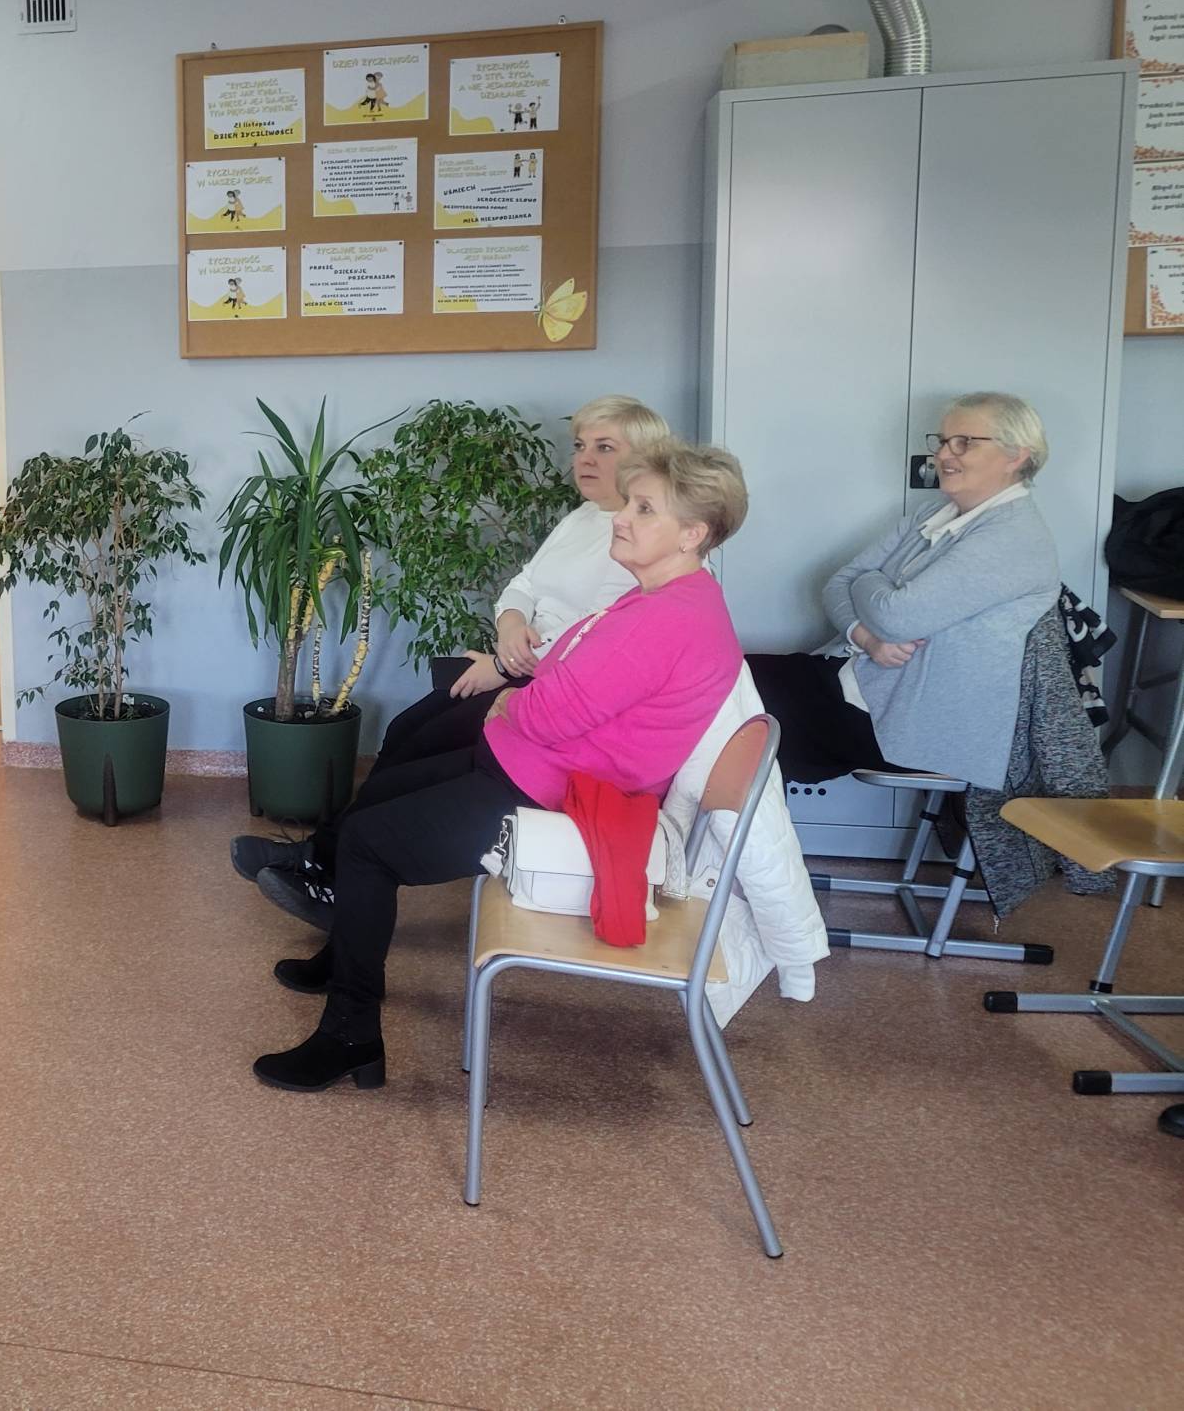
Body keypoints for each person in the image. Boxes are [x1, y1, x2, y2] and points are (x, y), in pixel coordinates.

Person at [252, 443, 750, 1091]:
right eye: (629, 503)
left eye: (644, 508)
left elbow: (550, 712)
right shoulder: (668, 597)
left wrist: (510, 703)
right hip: (532, 769)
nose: (622, 517)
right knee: (373, 803)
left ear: (692, 533)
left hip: (548, 796)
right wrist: (523, 701)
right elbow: (566, 676)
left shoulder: (665, 619)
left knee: (370, 844)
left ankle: (351, 1033)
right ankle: (345, 952)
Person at [233, 396, 671, 926]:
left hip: (539, 692)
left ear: (645, 457)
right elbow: (524, 584)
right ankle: (327, 859)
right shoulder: (585, 516)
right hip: (516, 665)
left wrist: (502, 667)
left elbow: (593, 643)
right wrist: (509, 624)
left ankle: (327, 868)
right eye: (580, 445)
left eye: (604, 448)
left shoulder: (636, 540)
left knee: (418, 744)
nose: (585, 459)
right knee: (405, 730)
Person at [745, 393, 1058, 790]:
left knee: (729, 715)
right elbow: (837, 583)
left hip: (905, 725)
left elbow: (896, 617)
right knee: (722, 679)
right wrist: (866, 635)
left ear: (1016, 456)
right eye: (942, 441)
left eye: (964, 442)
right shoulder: (933, 514)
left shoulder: (1012, 537)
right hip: (850, 680)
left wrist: (867, 582)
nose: (943, 454)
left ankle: (735, 827)